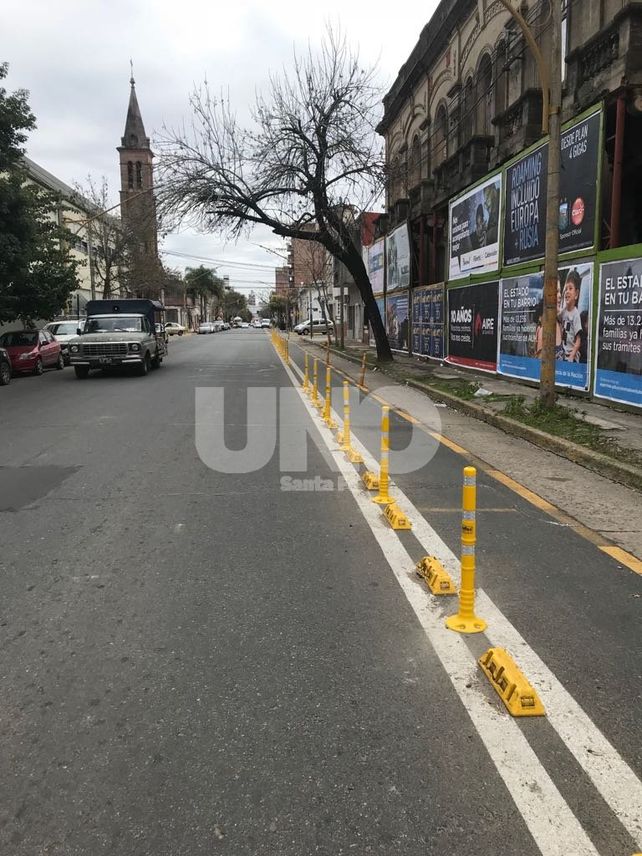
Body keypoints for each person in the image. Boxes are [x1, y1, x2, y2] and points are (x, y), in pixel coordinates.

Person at [558, 269, 582, 362]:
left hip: (572, 356)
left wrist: (572, 355)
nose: (567, 292)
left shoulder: (576, 314)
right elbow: (557, 317)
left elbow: (578, 340)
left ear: (576, 294)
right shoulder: (563, 311)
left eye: (570, 288)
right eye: (566, 289)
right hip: (563, 353)